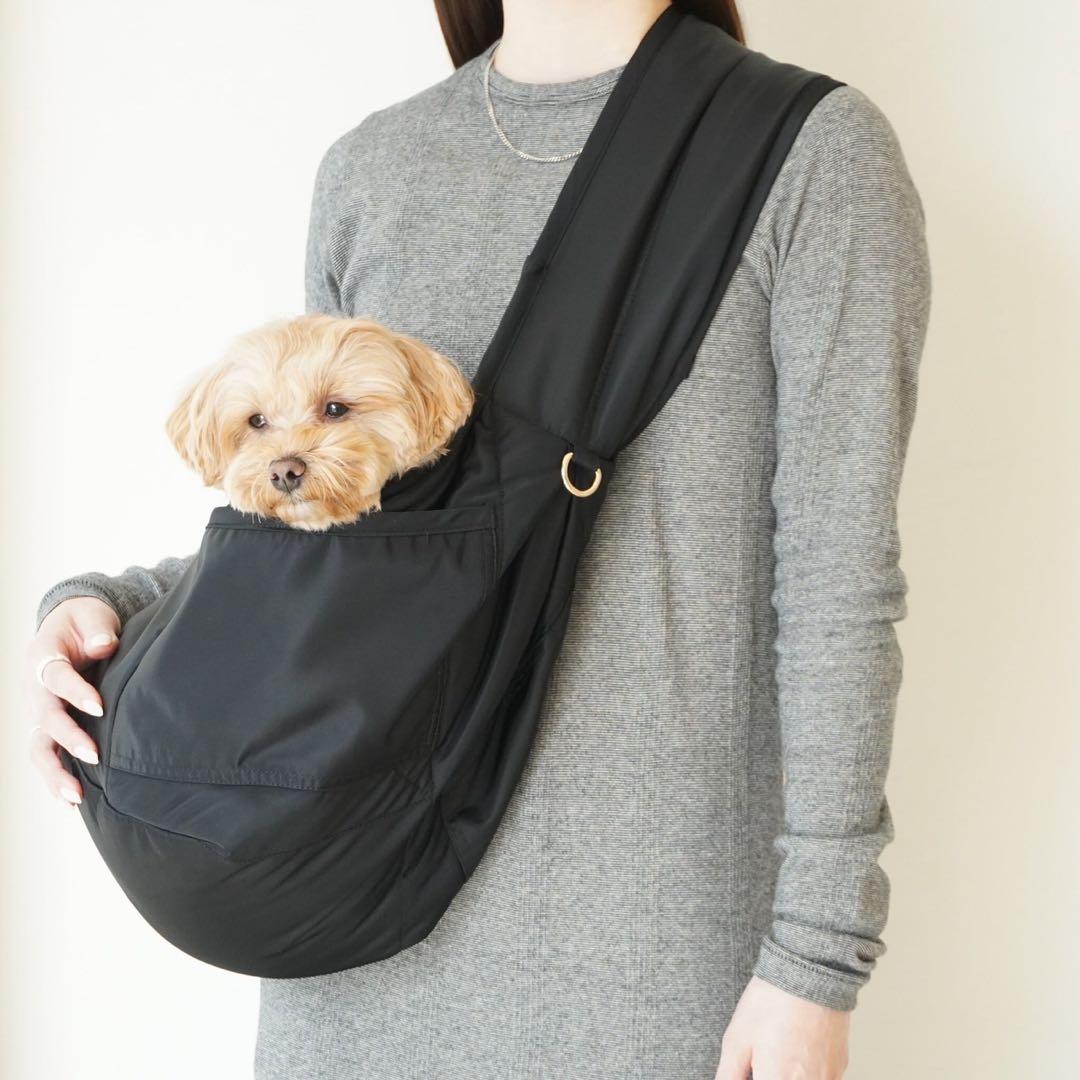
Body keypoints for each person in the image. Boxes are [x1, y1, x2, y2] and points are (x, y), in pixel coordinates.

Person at [24, 1, 931, 1076]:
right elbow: (336, 552)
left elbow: (837, 586)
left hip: (647, 938)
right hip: (356, 914)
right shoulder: (373, 168)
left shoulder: (806, 150)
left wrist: (816, 959)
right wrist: (107, 607)